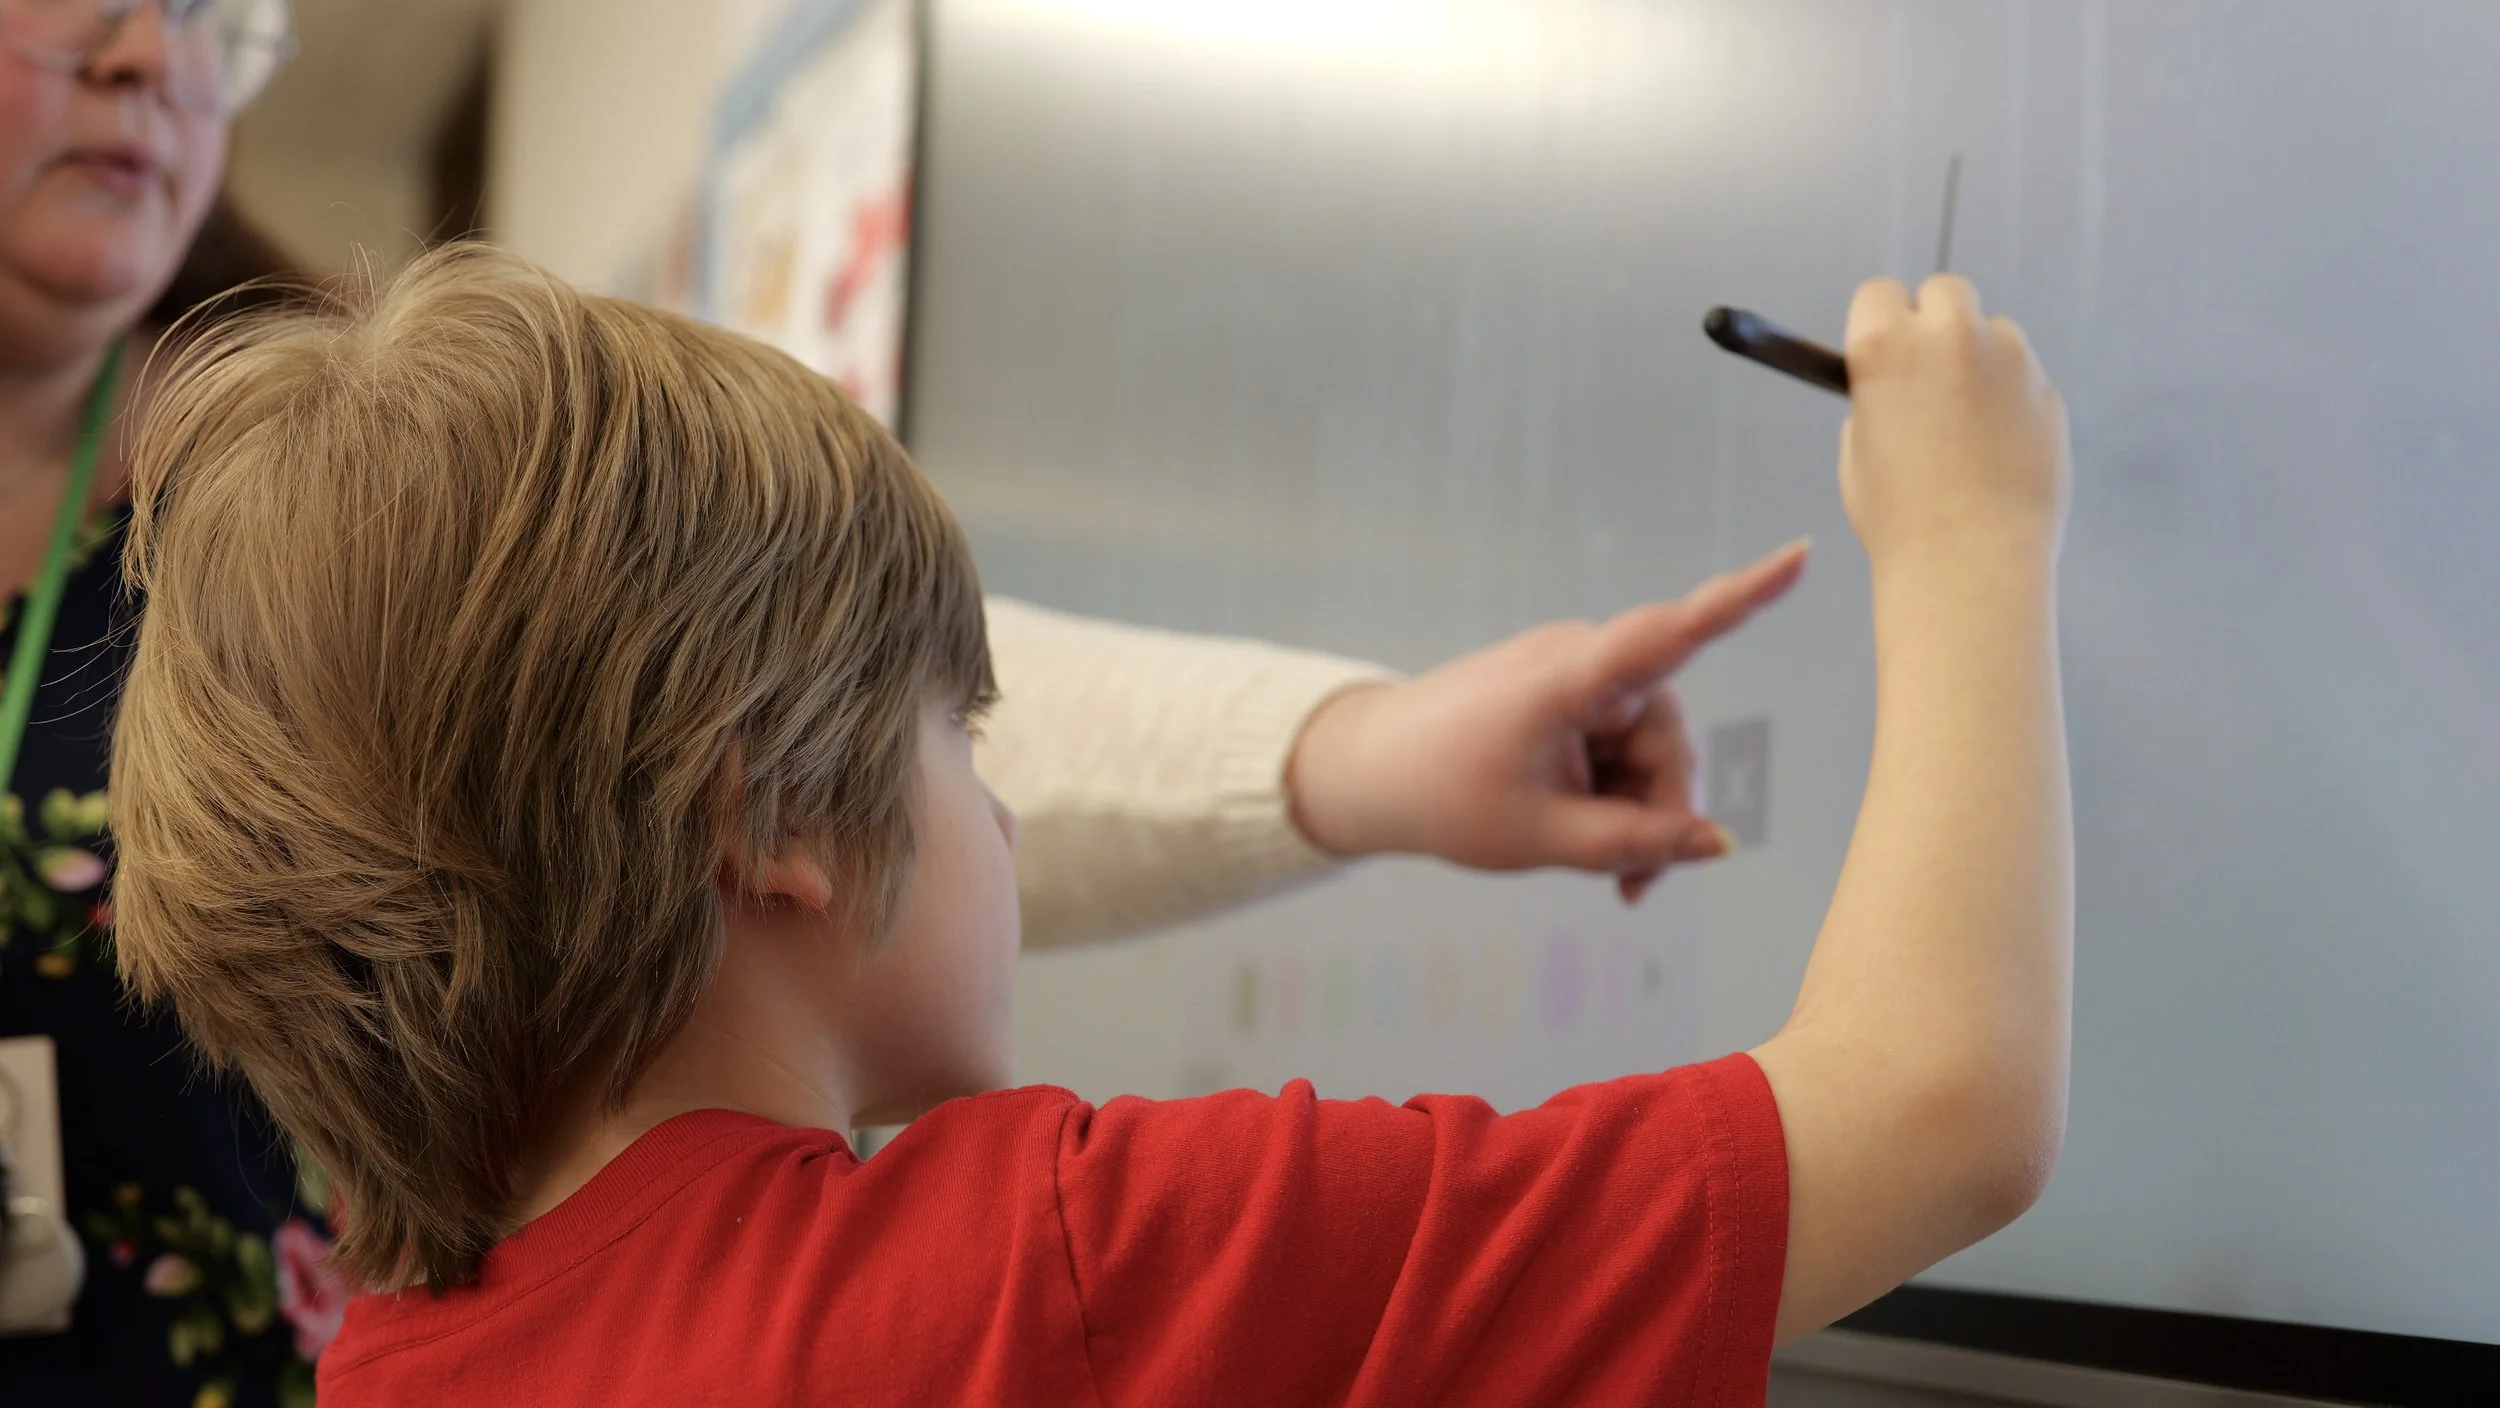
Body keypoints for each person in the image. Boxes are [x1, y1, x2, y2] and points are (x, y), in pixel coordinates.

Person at [0, 6, 1777, 1403]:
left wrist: (1350, 754)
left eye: (200, 0)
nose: (152, 47)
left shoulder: (337, 472)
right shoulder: (1036, 1255)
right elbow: (1934, 1110)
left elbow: (797, 698)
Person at [108, 247, 2072, 1405]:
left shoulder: (390, 1345)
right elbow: (1938, 1103)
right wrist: (1970, 532)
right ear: (780, 816)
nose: (1009, 817)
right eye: (967, 738)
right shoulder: (1047, 1271)